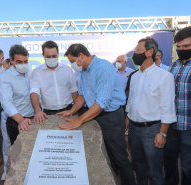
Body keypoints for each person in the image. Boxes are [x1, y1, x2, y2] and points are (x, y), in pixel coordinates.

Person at [57, 43, 136, 185]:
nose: (72, 65)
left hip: (110, 117)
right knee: (105, 158)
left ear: (81, 56)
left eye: (72, 61)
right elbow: (82, 95)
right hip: (94, 115)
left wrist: (79, 120)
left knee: (119, 158)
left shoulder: (103, 68)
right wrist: (72, 111)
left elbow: (102, 102)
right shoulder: (84, 71)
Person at [126, 37, 176, 185]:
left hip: (153, 131)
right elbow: (131, 101)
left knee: (155, 173)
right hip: (134, 130)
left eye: (138, 50)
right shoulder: (134, 76)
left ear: (150, 52)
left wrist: (162, 133)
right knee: (139, 170)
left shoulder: (164, 76)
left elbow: (168, 107)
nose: (135, 53)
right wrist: (127, 121)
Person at [164, 26, 191, 185]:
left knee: (188, 167)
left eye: (186, 46)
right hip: (172, 125)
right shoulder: (173, 66)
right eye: (178, 47)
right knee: (169, 161)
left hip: (189, 127)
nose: (182, 50)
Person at [30, 41, 78, 123]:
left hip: (68, 110)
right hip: (48, 113)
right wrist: (38, 111)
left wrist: (76, 110)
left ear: (58, 54)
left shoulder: (67, 70)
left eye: (54, 56)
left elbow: (74, 90)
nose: (51, 59)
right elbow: (34, 92)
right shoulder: (37, 72)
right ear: (43, 55)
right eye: (48, 56)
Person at [0, 45, 34, 145]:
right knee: (18, 154)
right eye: (19, 62)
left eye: (25, 61)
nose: (23, 64)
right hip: (16, 122)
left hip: (33, 119)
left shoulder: (31, 73)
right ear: (12, 61)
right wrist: (21, 120)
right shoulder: (5, 77)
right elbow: (6, 102)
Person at [0, 58, 12, 181]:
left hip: (26, 115)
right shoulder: (3, 76)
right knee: (7, 143)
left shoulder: (28, 74)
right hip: (7, 115)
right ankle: (6, 171)